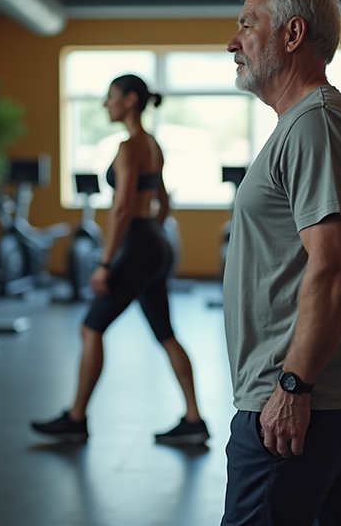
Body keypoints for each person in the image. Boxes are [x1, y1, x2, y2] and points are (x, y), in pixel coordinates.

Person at [221, 0, 341, 524]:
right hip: (316, 387)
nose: (232, 41)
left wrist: (293, 387)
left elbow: (336, 268)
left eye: (248, 24)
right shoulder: (303, 122)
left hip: (295, 392)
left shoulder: (316, 123)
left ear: (293, 34)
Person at [31, 74, 209, 446]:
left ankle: (76, 418)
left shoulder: (129, 147)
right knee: (166, 333)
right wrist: (155, 237)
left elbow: (123, 208)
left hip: (138, 245)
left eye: (110, 97)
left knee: (90, 328)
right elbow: (164, 201)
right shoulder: (152, 144)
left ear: (130, 100)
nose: (105, 104)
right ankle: (193, 419)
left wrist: (106, 262)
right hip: (155, 244)